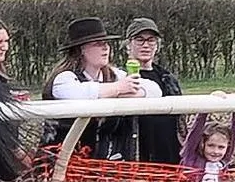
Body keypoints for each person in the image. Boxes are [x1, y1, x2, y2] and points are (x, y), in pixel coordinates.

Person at [41, 17, 161, 160]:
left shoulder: (114, 74)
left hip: (102, 163)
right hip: (61, 161)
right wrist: (118, 89)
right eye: (98, 44)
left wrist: (120, 92)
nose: (105, 48)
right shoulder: (64, 78)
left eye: (106, 43)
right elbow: (78, 94)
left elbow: (154, 89)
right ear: (81, 49)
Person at [124, 17, 183, 164]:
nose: (146, 45)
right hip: (136, 157)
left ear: (157, 46)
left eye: (151, 40)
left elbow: (180, 122)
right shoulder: (120, 78)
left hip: (170, 155)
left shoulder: (168, 78)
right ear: (128, 45)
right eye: (139, 40)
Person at [179, 113, 235, 182]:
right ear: (202, 144)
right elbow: (195, 132)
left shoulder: (224, 161)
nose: (216, 151)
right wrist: (203, 113)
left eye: (221, 147)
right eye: (211, 145)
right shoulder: (191, 157)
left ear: (227, 147)